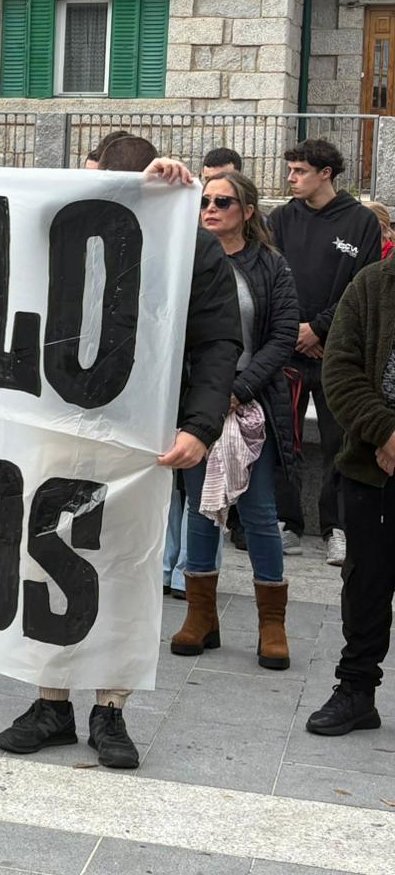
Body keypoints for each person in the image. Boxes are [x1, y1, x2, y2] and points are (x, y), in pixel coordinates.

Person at [0, 138, 241, 770]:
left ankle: (111, 708)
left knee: (127, 564)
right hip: (59, 418)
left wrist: (201, 425)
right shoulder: (59, 221)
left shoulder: (191, 240)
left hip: (143, 432)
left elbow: (218, 341)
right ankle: (51, 701)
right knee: (45, 551)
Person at [170, 171, 298, 671]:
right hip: (197, 404)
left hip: (252, 405)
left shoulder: (271, 266)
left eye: (223, 201)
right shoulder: (186, 257)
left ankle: (273, 624)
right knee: (201, 509)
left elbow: (283, 335)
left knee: (261, 513)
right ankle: (201, 616)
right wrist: (203, 397)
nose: (211, 207)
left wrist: (237, 391)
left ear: (247, 211)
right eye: (204, 200)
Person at [270, 139, 381, 566]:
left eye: (299, 171)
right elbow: (272, 279)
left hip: (337, 357)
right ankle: (286, 523)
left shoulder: (360, 222)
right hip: (287, 351)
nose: (291, 178)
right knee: (285, 441)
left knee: (340, 442)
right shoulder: (280, 219)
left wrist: (317, 330)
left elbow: (362, 288)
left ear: (325, 174)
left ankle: (339, 528)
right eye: (290, 170)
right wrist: (294, 332)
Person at [312, 233, 395, 736]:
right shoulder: (372, 285)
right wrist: (385, 432)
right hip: (373, 469)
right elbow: (338, 370)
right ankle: (356, 691)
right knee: (366, 585)